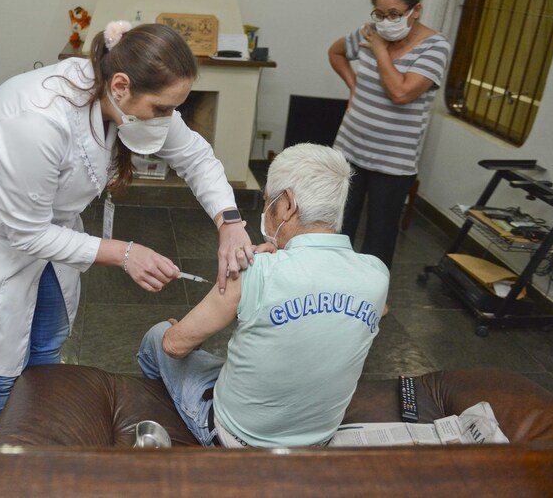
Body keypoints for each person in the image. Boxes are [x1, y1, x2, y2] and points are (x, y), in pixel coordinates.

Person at [0, 21, 255, 443]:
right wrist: (124, 253)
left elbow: (196, 157)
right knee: (1, 367)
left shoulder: (123, 95)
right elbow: (26, 231)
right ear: (122, 86)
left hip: (50, 229)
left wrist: (230, 222)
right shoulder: (36, 120)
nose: (168, 120)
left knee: (46, 343)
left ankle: (34, 440)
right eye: (162, 109)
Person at [138, 143, 389, 448]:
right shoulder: (377, 275)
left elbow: (175, 346)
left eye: (268, 202)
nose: (267, 211)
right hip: (318, 440)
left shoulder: (256, 271)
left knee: (158, 335)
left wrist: (245, 277)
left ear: (286, 205)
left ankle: (156, 409)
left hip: (237, 438)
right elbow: (375, 309)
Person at [328, 0, 452, 268]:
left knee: (379, 236)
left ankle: (374, 299)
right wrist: (353, 85)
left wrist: (381, 50)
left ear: (416, 10)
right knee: (335, 227)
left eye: (394, 14)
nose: (385, 22)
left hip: (393, 162)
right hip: (349, 149)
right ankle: (329, 288)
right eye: (380, 14)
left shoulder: (435, 47)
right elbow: (335, 53)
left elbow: (401, 92)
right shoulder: (369, 32)